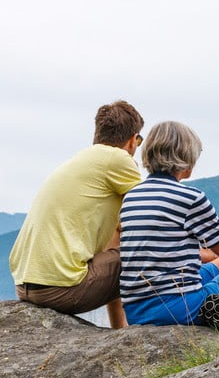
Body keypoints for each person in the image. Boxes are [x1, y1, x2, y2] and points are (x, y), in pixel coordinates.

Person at [10, 100, 144, 329]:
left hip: (26, 287)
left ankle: (120, 329)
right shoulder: (118, 159)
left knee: (119, 242)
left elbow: (119, 234)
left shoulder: (82, 161)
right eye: (139, 141)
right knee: (142, 254)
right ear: (132, 139)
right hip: (60, 289)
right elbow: (154, 206)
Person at [119, 121, 219, 326]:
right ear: (186, 159)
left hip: (135, 310)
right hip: (180, 308)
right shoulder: (190, 198)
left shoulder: (132, 196)